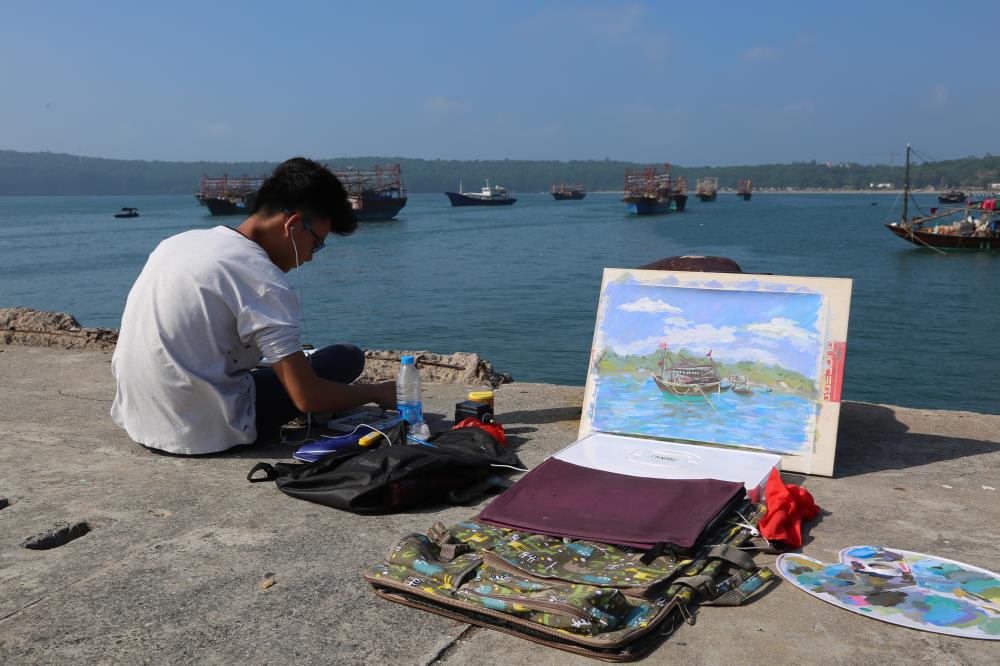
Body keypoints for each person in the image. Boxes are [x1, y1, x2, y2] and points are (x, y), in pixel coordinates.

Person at [111, 157, 395, 455]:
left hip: (139, 416)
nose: (310, 257)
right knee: (345, 358)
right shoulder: (263, 278)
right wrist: (378, 392)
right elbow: (307, 397)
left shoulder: (177, 242)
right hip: (200, 431)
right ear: (293, 225)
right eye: (316, 244)